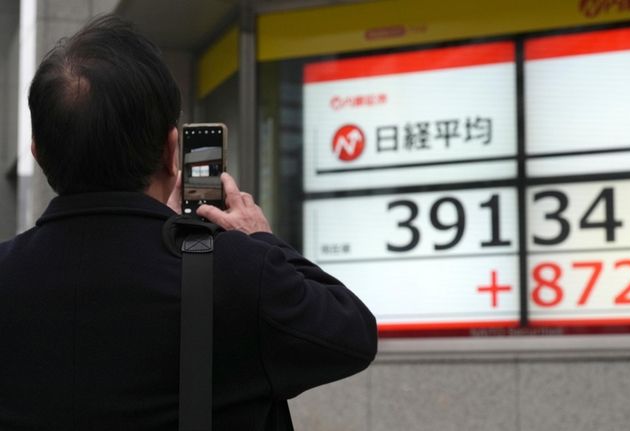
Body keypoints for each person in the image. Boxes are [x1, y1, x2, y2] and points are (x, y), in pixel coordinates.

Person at [0, 15, 377, 431]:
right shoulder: (234, 272)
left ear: (38, 154)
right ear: (171, 149)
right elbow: (352, 334)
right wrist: (260, 239)